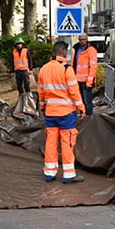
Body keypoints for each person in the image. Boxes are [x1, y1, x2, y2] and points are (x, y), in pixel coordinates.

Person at [37, 40, 85, 184]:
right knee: (67, 142)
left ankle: (50, 173)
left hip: (50, 112)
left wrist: (43, 107)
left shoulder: (43, 69)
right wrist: (81, 108)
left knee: (50, 143)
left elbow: (41, 92)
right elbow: (74, 91)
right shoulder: (66, 69)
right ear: (63, 52)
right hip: (66, 113)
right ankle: (69, 174)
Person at [71, 33, 99, 115]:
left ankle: (89, 119)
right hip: (77, 80)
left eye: (84, 39)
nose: (82, 41)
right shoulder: (76, 50)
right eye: (80, 40)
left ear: (87, 40)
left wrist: (89, 81)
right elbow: (73, 64)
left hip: (86, 81)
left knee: (87, 102)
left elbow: (93, 67)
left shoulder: (91, 50)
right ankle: (83, 117)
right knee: (80, 102)